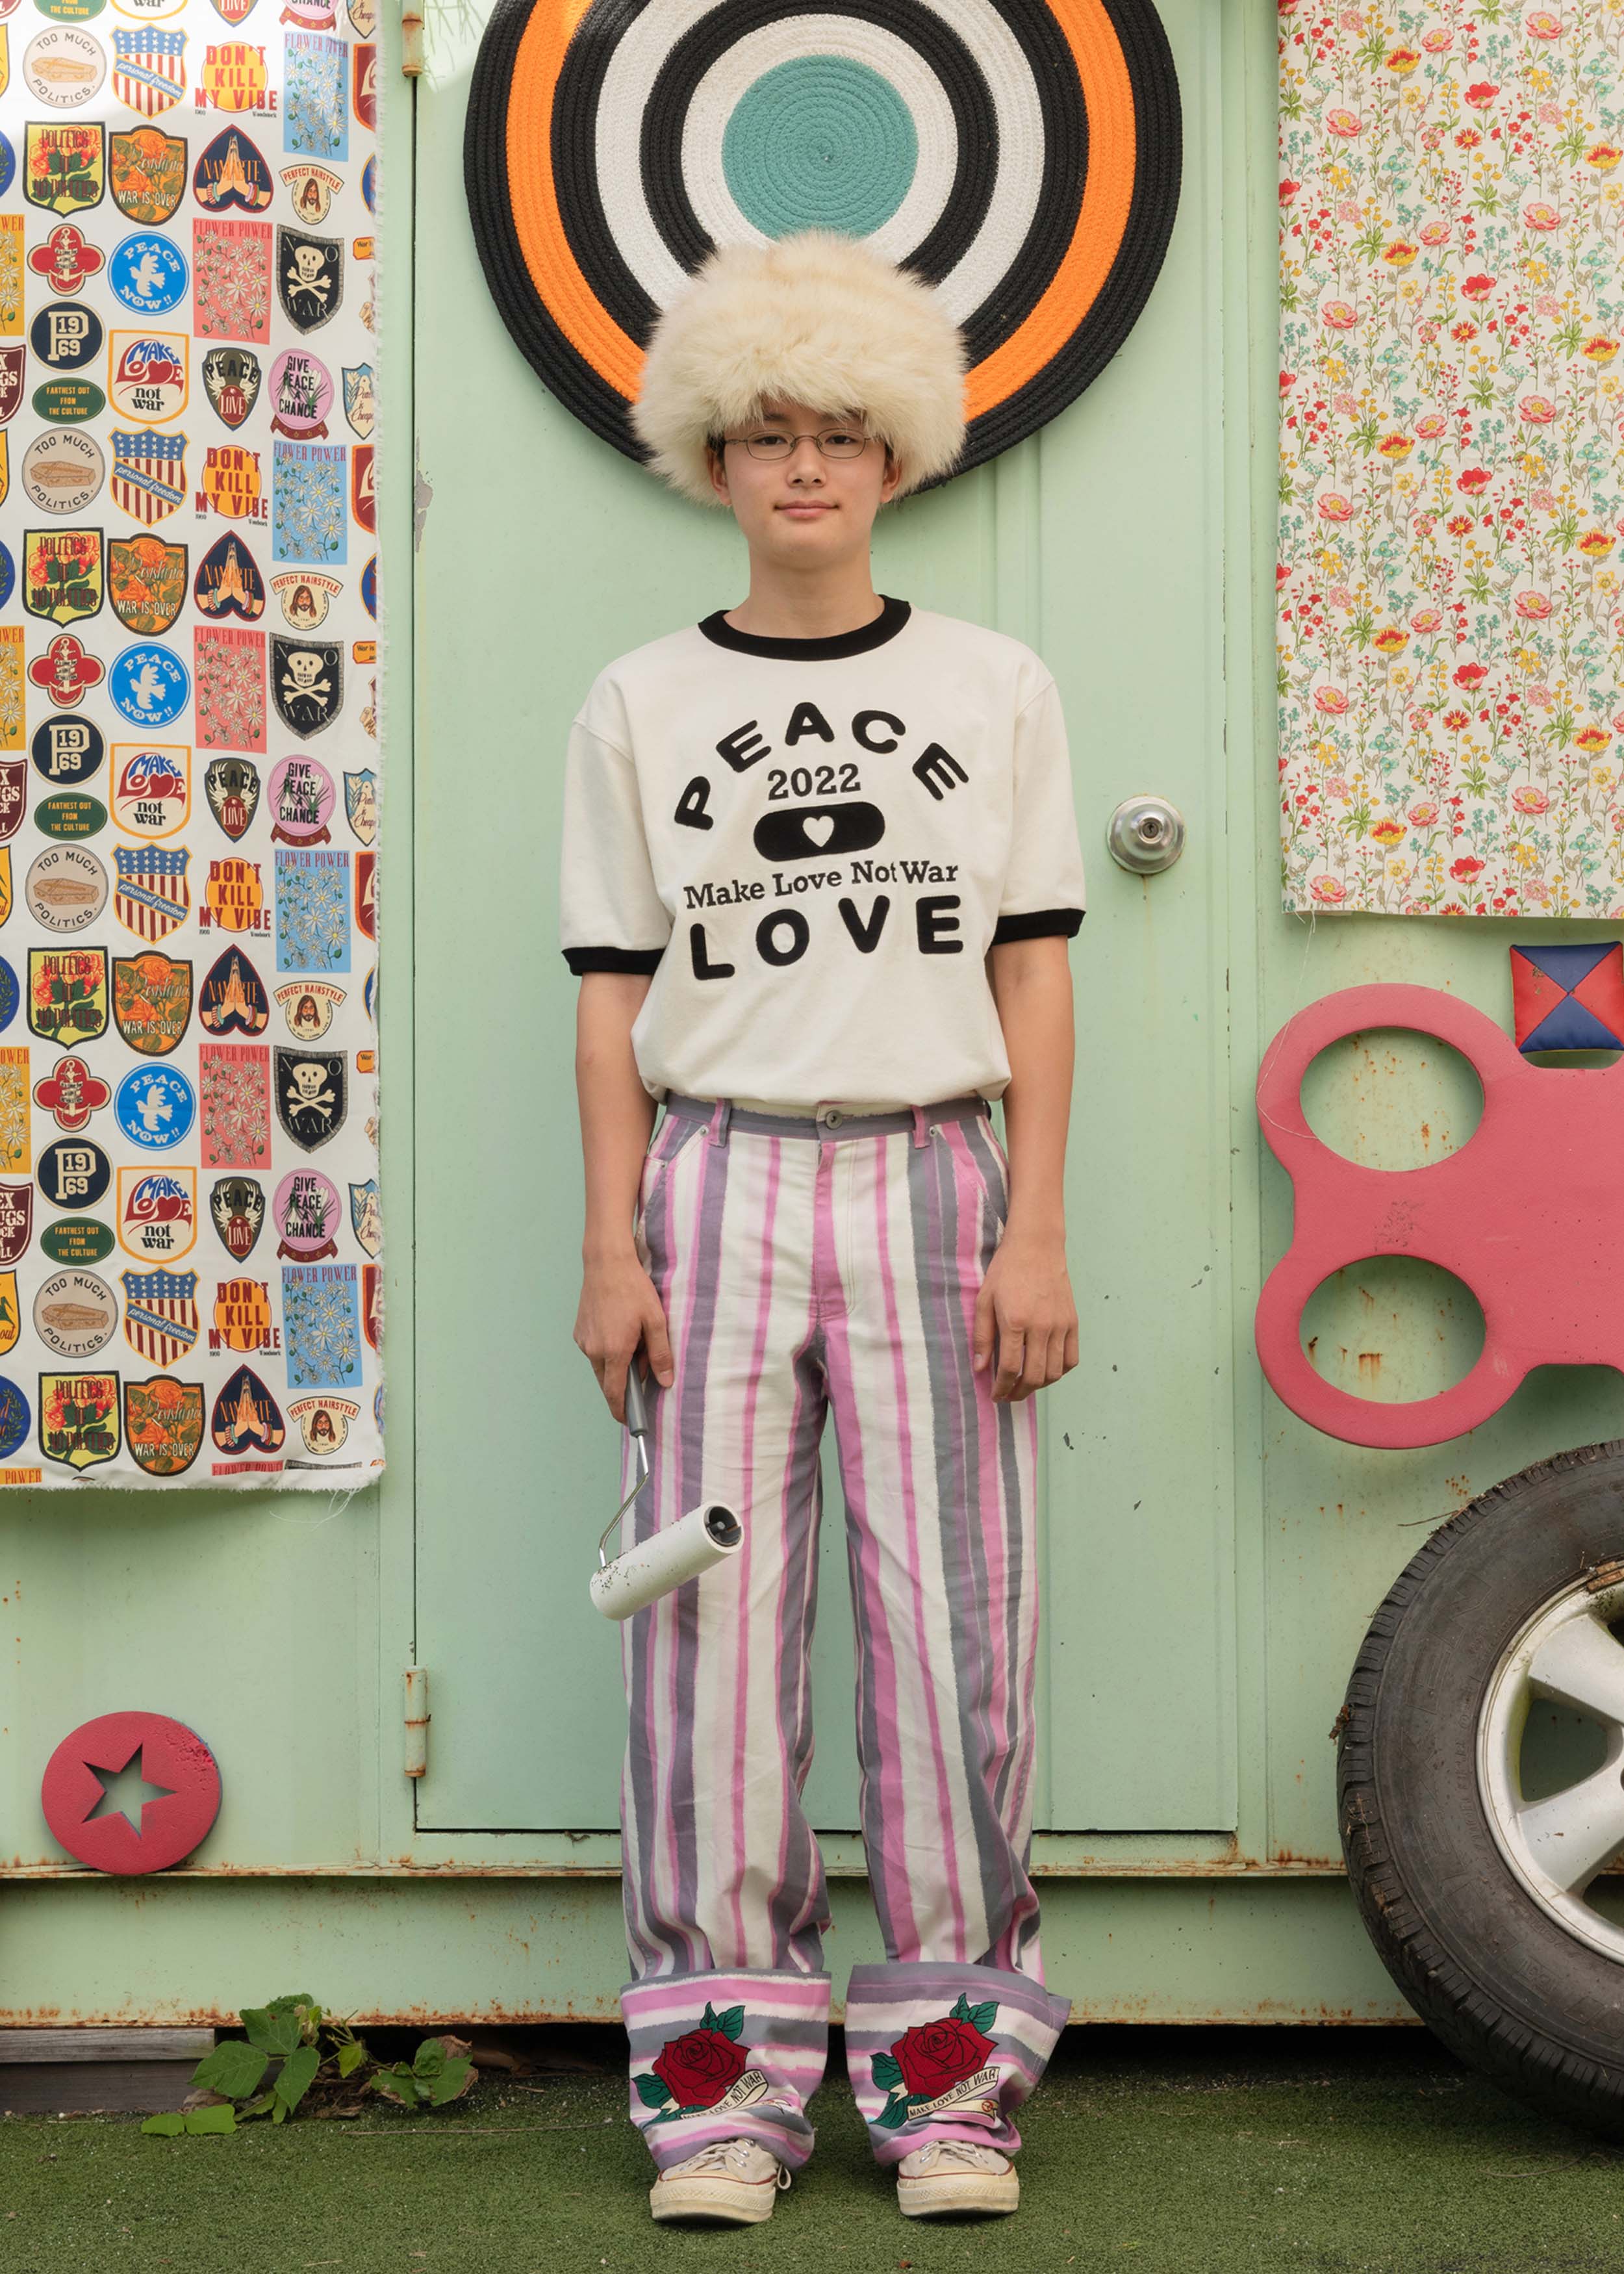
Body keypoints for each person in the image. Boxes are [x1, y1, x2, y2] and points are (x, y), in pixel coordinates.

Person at [560, 230, 1085, 2230]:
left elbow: (1033, 973)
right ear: (709, 455)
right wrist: (610, 1245)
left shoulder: (991, 684)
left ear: (897, 455)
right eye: (766, 432)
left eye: (840, 433)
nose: (802, 467)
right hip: (714, 1178)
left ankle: (952, 2089)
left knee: (958, 1632)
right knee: (703, 1641)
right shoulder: (642, 698)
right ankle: (721, 2093)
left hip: (936, 1176)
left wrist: (1034, 1227)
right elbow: (609, 992)